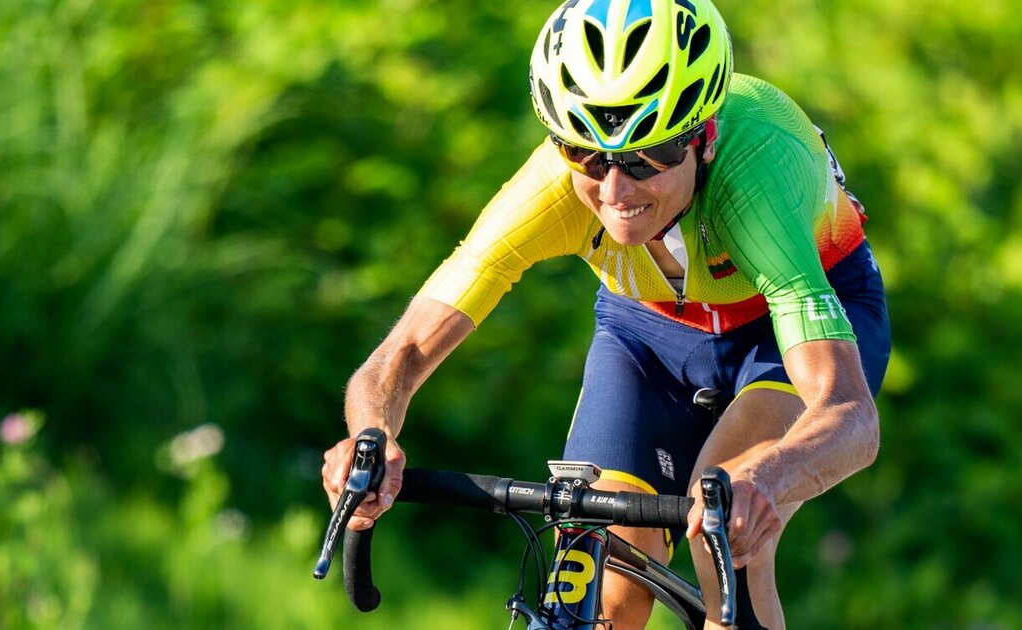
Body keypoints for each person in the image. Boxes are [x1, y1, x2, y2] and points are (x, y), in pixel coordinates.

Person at [322, 0, 890, 627]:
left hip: (780, 330)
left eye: (648, 158)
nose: (615, 192)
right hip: (646, 330)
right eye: (586, 155)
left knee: (721, 530)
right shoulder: (553, 189)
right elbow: (401, 354)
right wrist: (370, 437)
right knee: (593, 563)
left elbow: (850, 415)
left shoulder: (758, 180)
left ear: (705, 139)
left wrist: (771, 474)